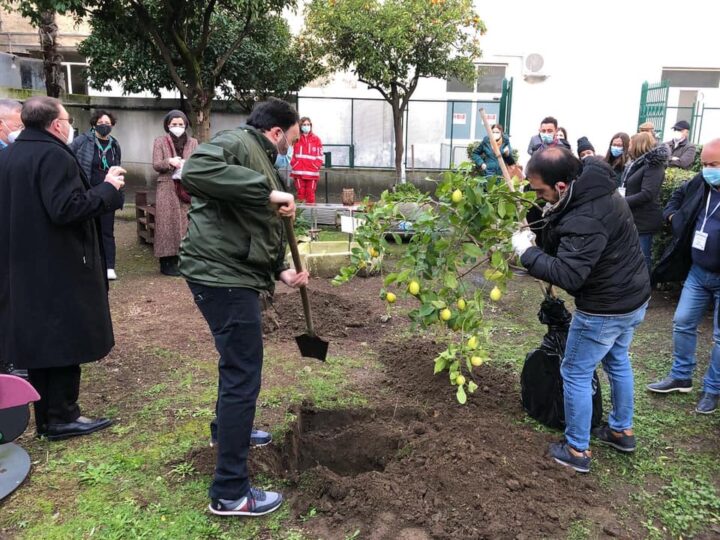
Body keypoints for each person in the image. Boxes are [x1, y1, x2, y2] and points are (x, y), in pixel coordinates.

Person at [179, 98, 309, 517]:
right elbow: (195, 170)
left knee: (234, 364)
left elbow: (255, 225)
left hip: (232, 273)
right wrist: (267, 190)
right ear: (276, 132)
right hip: (223, 278)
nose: (292, 144)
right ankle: (230, 492)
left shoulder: (262, 157)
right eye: (292, 136)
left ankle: (227, 431)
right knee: (242, 373)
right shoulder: (238, 143)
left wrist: (281, 271)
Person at [512, 147, 650, 473]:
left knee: (575, 372)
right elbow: (561, 225)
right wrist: (538, 217)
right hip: (634, 296)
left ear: (561, 186)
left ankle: (576, 450)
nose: (541, 198)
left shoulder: (585, 218)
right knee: (617, 361)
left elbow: (570, 275)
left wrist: (526, 253)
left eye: (542, 192)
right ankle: (621, 430)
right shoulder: (593, 181)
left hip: (605, 308)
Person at [0, 96, 125, 440]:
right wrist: (108, 189)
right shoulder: (53, 155)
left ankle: (48, 416)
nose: (71, 126)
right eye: (68, 119)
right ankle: (62, 416)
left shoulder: (10, 154)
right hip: (57, 263)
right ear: (56, 124)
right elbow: (66, 208)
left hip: (22, 261)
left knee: (41, 340)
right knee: (63, 336)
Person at [648, 139, 720, 414]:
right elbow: (676, 196)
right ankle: (681, 375)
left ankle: (712, 389)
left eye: (714, 165)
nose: (707, 170)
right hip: (698, 272)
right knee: (682, 322)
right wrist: (671, 217)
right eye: (704, 164)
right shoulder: (701, 184)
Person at [70, 110, 123, 280]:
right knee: (89, 229)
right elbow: (70, 156)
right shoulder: (83, 141)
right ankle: (89, 263)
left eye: (108, 123)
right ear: (94, 124)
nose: (104, 126)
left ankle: (109, 266)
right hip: (89, 191)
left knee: (107, 230)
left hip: (108, 191)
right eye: (101, 122)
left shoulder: (114, 144)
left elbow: (118, 164)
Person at [152, 110, 198, 276]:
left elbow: (198, 162)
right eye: (174, 124)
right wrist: (169, 162)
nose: (177, 127)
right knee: (166, 224)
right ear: (167, 125)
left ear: (186, 125)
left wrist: (189, 166)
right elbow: (156, 164)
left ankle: (183, 261)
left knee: (186, 223)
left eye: (180, 124)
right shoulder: (160, 141)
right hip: (166, 185)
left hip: (186, 186)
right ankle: (166, 262)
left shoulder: (193, 142)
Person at [619, 132, 668, 270]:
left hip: (644, 221)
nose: (627, 147)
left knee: (641, 258)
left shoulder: (653, 165)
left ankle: (644, 289)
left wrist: (621, 201)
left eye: (630, 144)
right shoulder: (636, 163)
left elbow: (647, 194)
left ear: (637, 145)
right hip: (632, 217)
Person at [290, 116, 323, 204]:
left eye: (308, 124)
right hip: (298, 173)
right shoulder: (296, 139)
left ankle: (311, 217)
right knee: (300, 195)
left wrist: (315, 166)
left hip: (312, 173)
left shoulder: (316, 140)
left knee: (310, 195)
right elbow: (290, 154)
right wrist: (294, 164)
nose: (306, 126)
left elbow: (319, 156)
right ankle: (301, 216)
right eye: (304, 124)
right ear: (300, 126)